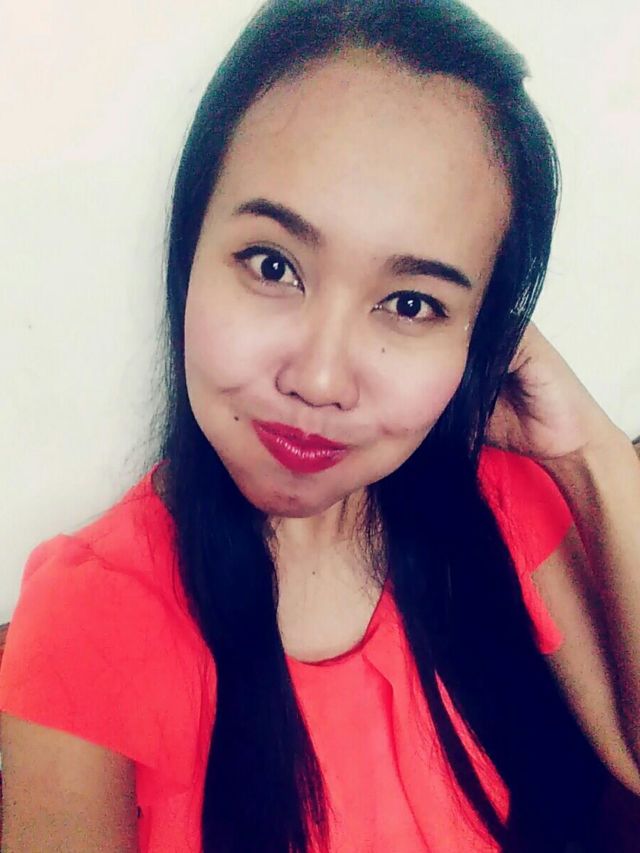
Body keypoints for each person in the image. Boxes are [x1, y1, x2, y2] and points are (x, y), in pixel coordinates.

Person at [1, 1, 639, 851]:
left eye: (411, 303)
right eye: (273, 265)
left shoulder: (499, 505)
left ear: (477, 337)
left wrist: (592, 452)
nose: (321, 379)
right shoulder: (89, 620)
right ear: (191, 252)